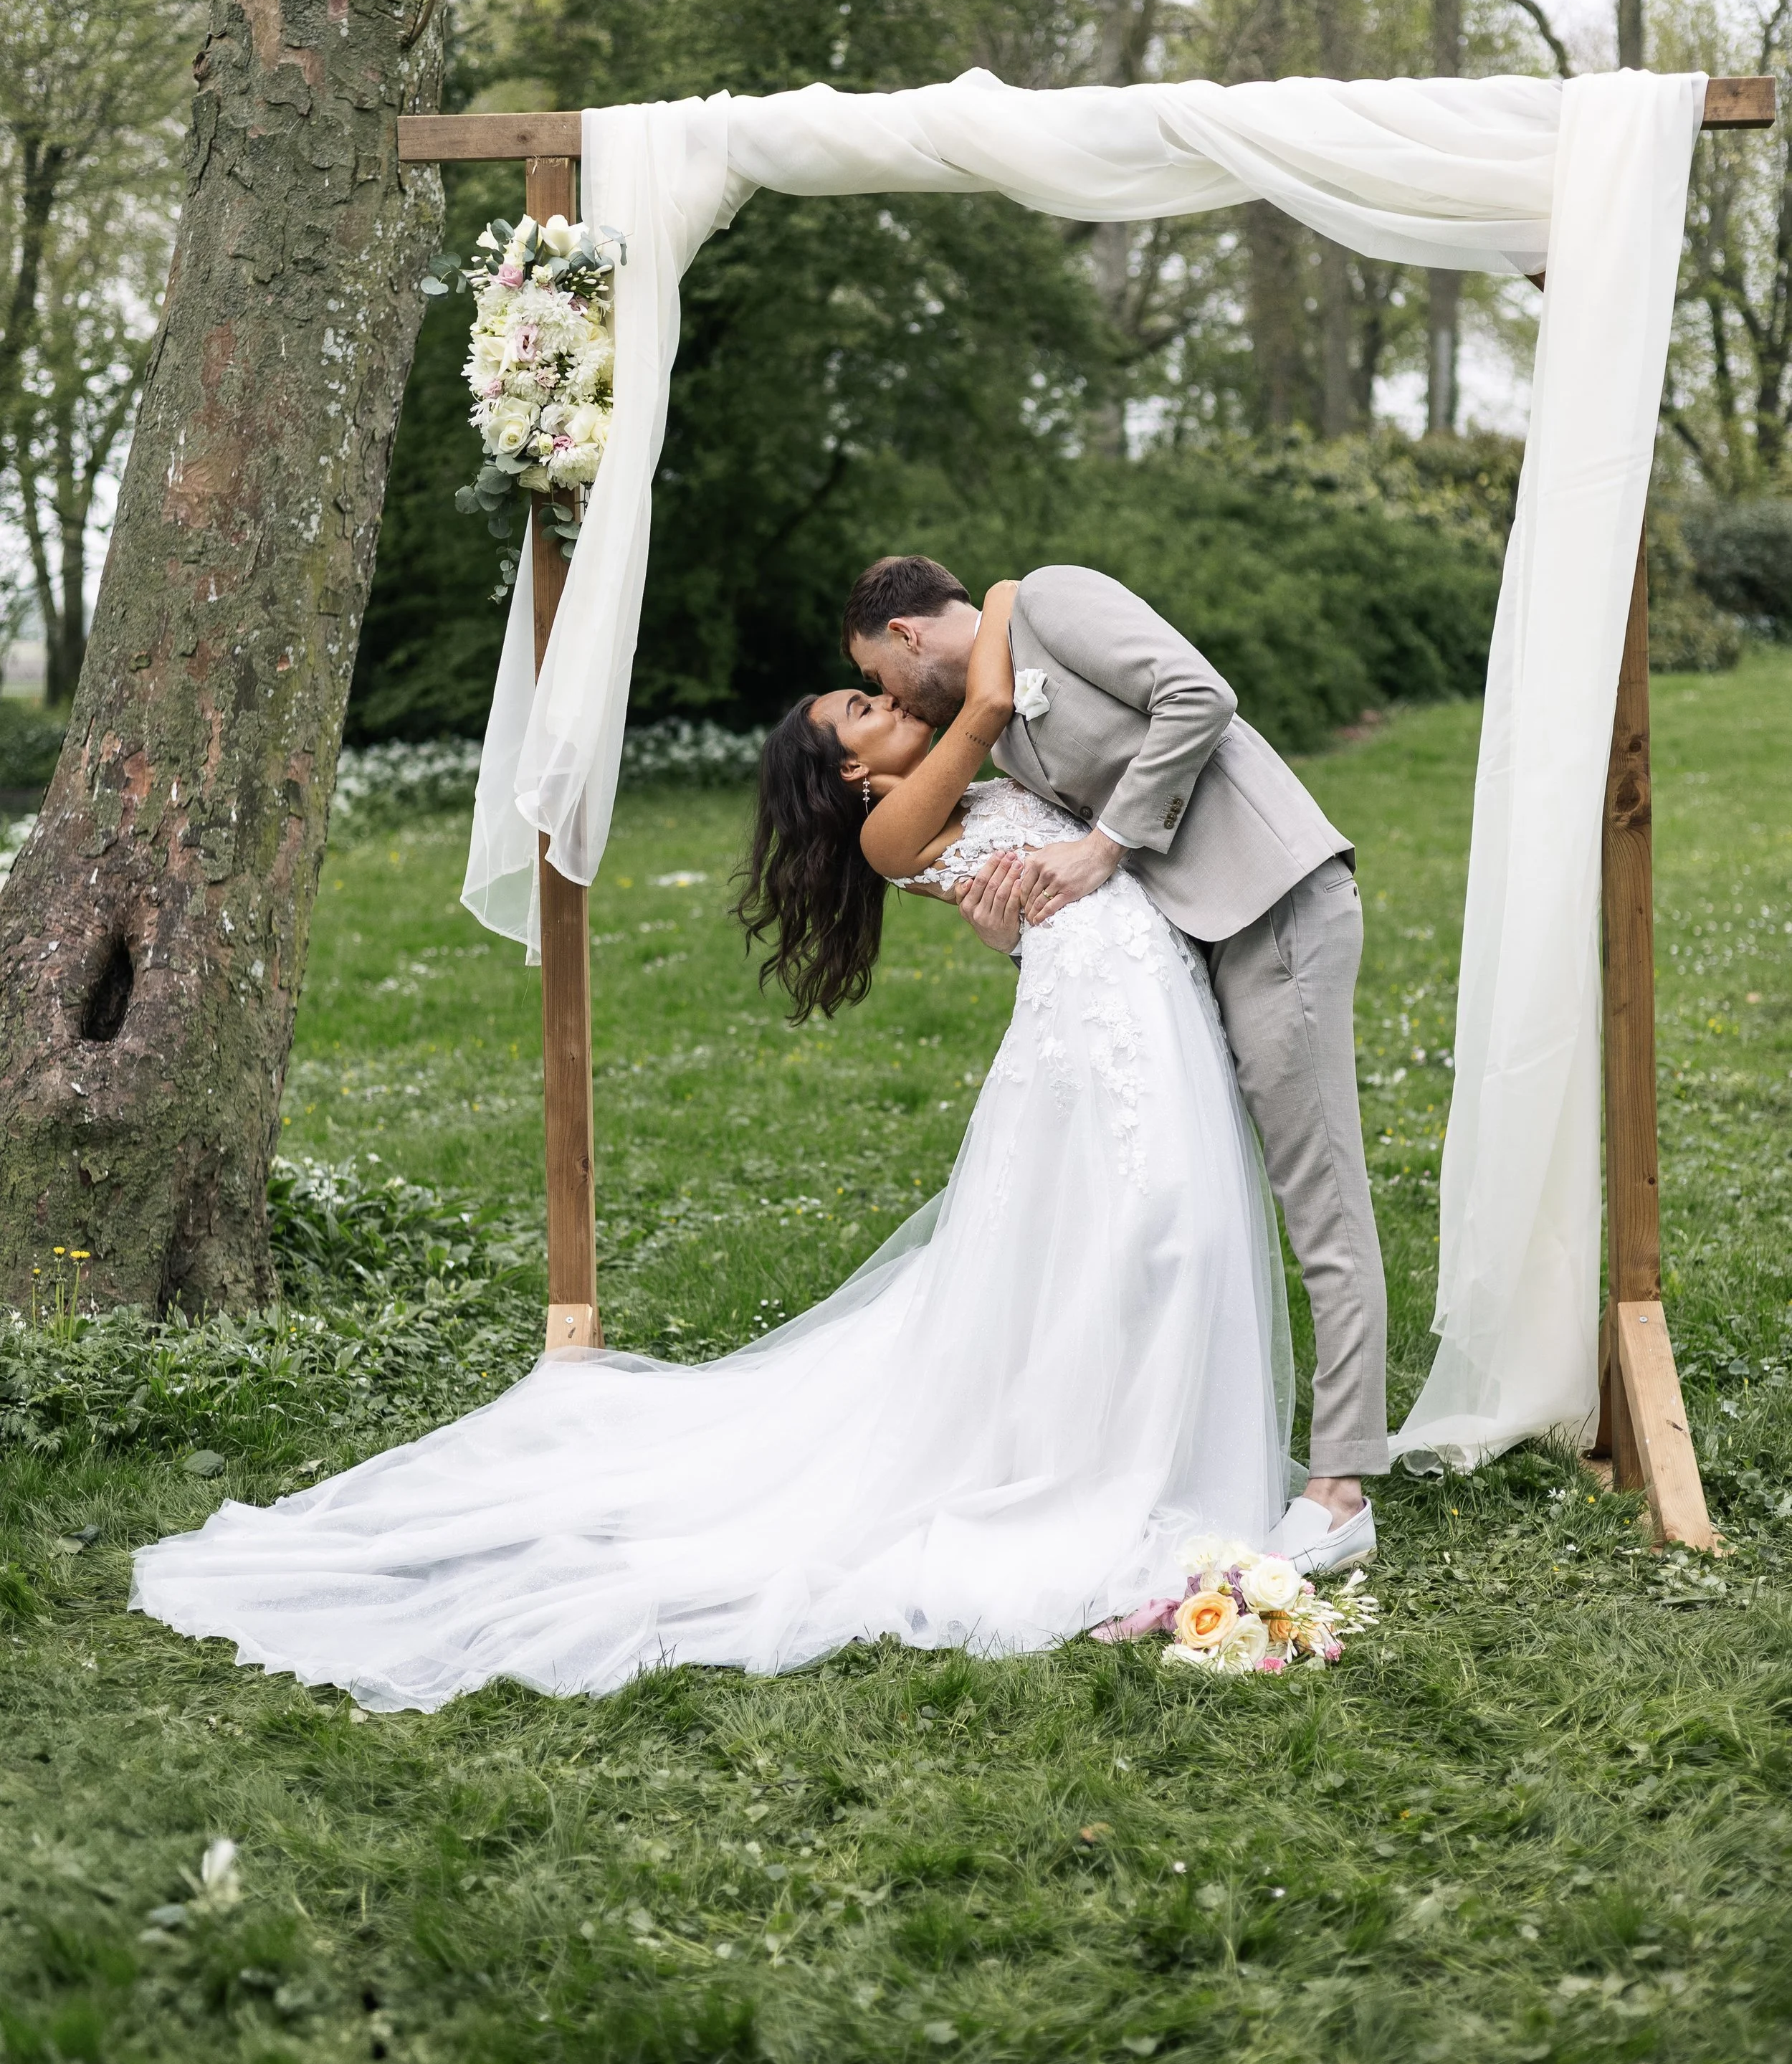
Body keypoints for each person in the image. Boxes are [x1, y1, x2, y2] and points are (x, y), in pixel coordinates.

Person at [130, 584, 1294, 1711]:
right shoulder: (895, 827)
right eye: (865, 709)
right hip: (1093, 1014)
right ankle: (1113, 1462)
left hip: (1119, 992)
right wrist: (994, 592)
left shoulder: (954, 790)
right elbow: (987, 703)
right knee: (1146, 1222)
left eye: (875, 693)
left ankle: (1146, 1436)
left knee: (1150, 1225)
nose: (887, 704)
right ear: (850, 772)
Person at [843, 555, 1386, 1577]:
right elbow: (1037, 873)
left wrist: (1107, 843)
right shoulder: (991, 726)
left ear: (907, 637)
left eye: (881, 674)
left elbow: (1199, 695)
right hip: (1182, 959)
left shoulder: (1048, 601)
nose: (895, 699)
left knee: (1319, 1197)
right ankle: (1181, 1444)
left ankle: (1341, 1488)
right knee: (1186, 1211)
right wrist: (1011, 924)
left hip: (1271, 903)